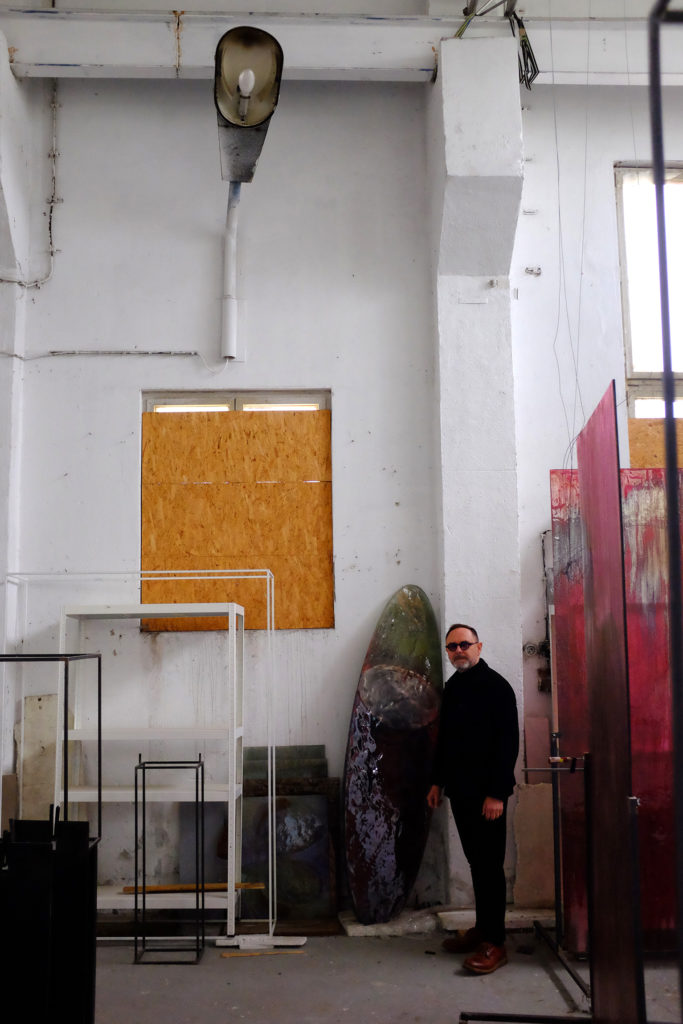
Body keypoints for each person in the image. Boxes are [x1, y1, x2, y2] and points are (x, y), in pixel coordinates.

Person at [427, 622, 519, 975]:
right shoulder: (453, 687)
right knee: (477, 863)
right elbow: (445, 741)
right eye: (452, 647)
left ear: (479, 646)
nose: (458, 651)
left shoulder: (497, 687)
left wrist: (497, 793)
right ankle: (482, 929)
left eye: (464, 644)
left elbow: (507, 743)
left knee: (489, 867)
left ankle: (495, 943)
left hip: (487, 797)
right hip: (461, 792)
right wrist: (437, 782)